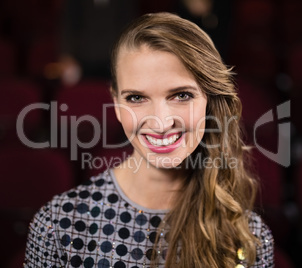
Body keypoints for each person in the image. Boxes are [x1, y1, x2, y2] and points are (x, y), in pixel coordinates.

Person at [24, 12, 274, 268]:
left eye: (181, 95)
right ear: (116, 104)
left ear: (209, 100)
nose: (161, 123)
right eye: (136, 98)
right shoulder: (57, 225)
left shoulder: (250, 237)